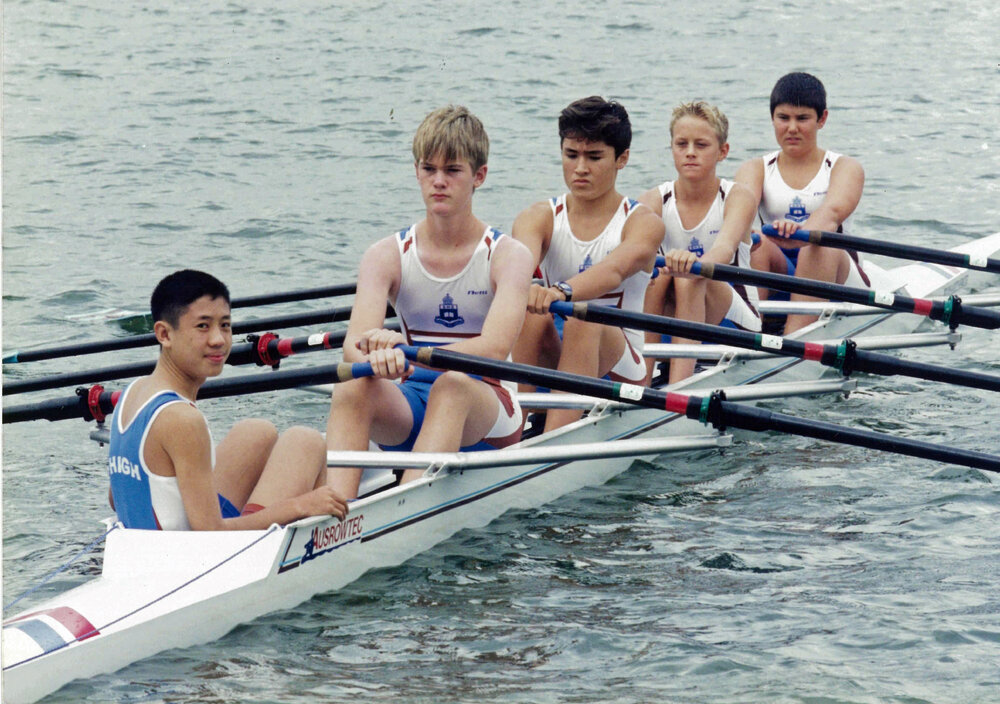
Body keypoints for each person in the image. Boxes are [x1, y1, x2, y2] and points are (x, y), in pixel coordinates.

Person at [325, 105, 534, 498]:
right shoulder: (384, 254)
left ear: (479, 176)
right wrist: (374, 356)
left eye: (453, 170)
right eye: (428, 169)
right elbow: (354, 347)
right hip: (412, 402)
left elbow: (494, 348)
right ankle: (336, 516)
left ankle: (404, 510)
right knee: (352, 386)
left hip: (485, 408)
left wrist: (403, 351)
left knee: (452, 386)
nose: (438, 181)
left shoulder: (508, 256)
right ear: (417, 172)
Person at [108, 269, 348, 530]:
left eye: (224, 325)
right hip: (195, 558)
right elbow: (212, 533)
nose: (218, 340)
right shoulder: (182, 419)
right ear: (164, 334)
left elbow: (115, 497)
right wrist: (301, 505)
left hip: (151, 544)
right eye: (203, 326)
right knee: (306, 442)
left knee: (257, 432)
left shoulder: (133, 392)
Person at [512, 96, 664, 430]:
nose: (580, 167)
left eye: (594, 157)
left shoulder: (643, 222)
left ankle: (553, 442)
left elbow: (613, 271)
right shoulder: (537, 217)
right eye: (571, 155)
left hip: (624, 367)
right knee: (527, 313)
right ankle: (515, 427)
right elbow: (515, 271)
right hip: (562, 354)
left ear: (621, 159)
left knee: (584, 317)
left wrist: (559, 292)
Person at [735, 71, 868, 334]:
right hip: (780, 267)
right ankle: (748, 334)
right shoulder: (755, 168)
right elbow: (738, 216)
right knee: (756, 245)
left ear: (822, 119)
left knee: (818, 244)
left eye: (802, 118)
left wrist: (798, 235)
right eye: (783, 118)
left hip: (836, 271)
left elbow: (831, 213)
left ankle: (793, 340)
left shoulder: (845, 167)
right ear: (772, 119)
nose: (792, 128)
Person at [638, 101, 761, 384]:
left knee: (691, 276)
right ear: (672, 149)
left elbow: (724, 248)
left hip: (736, 320)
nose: (690, 152)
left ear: (722, 151)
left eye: (701, 145)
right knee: (657, 278)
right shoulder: (652, 201)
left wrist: (693, 265)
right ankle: (640, 381)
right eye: (682, 144)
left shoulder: (738, 196)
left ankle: (678, 389)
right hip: (676, 313)